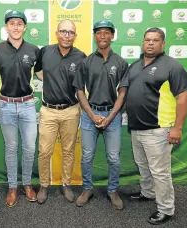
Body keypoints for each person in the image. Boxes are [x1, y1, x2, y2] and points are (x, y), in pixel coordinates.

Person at [119, 27, 187, 225]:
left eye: (155, 40)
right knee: (143, 165)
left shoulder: (172, 66)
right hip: (136, 127)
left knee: (160, 172)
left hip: (159, 129)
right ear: (142, 42)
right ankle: (148, 193)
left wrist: (177, 127)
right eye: (147, 40)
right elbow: (126, 93)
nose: (150, 43)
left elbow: (183, 97)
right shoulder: (135, 65)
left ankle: (166, 209)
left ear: (163, 44)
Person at [73, 20, 128, 209]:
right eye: (99, 33)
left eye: (106, 32)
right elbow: (80, 90)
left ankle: (113, 190)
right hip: (90, 115)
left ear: (112, 35)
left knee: (113, 157)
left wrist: (111, 116)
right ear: (95, 36)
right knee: (87, 156)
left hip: (112, 114)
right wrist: (91, 114)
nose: (102, 36)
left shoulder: (121, 62)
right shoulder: (86, 61)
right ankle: (87, 189)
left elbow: (122, 92)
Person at [34, 19, 86, 204]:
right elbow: (38, 71)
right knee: (44, 151)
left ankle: (66, 184)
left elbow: (82, 85)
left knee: (68, 150)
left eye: (70, 32)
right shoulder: (45, 51)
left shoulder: (81, 57)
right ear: (56, 33)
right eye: (63, 31)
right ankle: (44, 185)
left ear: (75, 35)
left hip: (71, 111)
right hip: (48, 111)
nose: (66, 35)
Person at [0, 10, 39, 207]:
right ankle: (13, 186)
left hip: (28, 105)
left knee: (29, 148)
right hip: (6, 106)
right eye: (12, 23)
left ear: (25, 27)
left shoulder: (34, 49)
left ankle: (27, 184)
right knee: (11, 148)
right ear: (6, 27)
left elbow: (44, 74)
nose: (16, 27)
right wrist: (1, 94)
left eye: (19, 23)